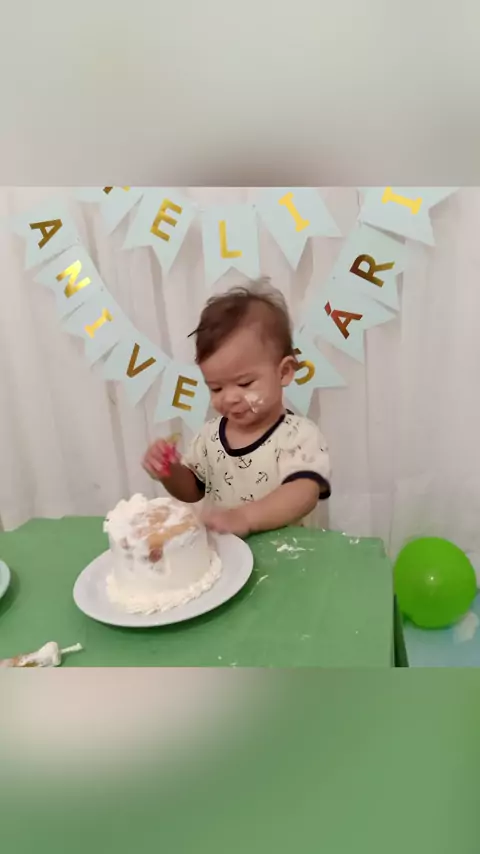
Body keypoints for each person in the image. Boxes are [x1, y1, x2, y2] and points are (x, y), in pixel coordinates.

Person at [142, 278, 331, 537]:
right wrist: (169, 472)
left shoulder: (299, 436)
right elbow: (192, 491)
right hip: (227, 554)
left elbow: (303, 493)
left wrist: (245, 518)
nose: (229, 398)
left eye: (244, 383)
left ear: (284, 372)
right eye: (216, 388)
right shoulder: (209, 437)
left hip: (287, 556)